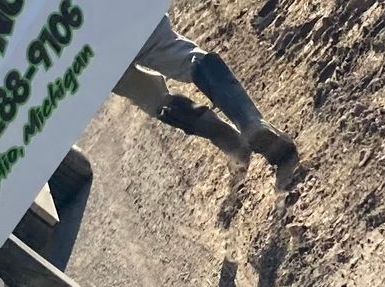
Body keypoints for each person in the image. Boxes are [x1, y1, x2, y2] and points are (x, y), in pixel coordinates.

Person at [114, 15, 298, 174]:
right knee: (184, 57)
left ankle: (232, 142)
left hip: (97, 50)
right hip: (119, 6)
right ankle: (251, 123)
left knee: (150, 97)